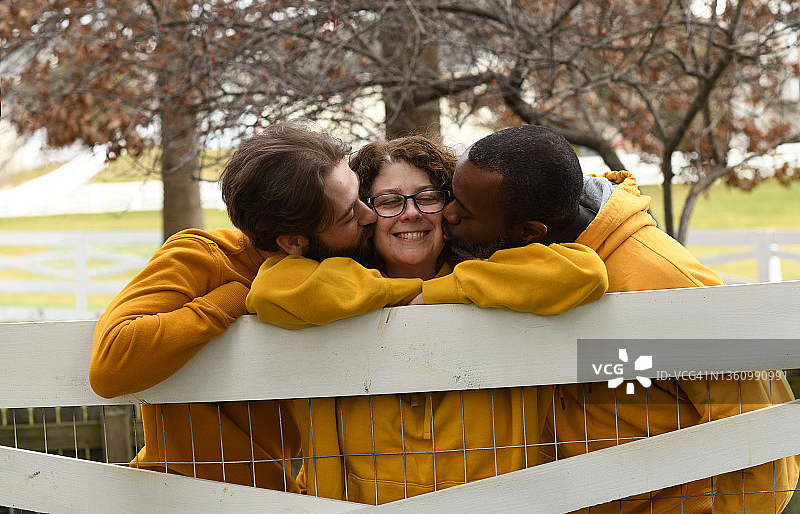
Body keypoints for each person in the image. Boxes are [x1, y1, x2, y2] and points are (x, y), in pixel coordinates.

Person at [432, 124, 800, 513]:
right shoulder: (513, 246)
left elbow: (762, 435)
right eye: (451, 197)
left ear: (529, 232)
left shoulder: (668, 282)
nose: (447, 215)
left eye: (465, 212)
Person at [245, 134, 609, 503]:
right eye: (388, 202)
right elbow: (269, 290)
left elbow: (583, 272)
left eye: (428, 197)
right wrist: (400, 295)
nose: (411, 213)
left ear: (450, 207)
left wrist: (441, 292)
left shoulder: (489, 274)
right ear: (366, 214)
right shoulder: (331, 284)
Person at [89, 123, 381, 492]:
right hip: (171, 496)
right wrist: (233, 298)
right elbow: (110, 365)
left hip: (280, 496)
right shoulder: (202, 256)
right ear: (293, 241)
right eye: (349, 215)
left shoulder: (340, 268)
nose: (368, 216)